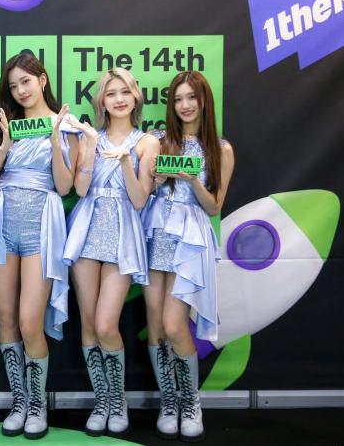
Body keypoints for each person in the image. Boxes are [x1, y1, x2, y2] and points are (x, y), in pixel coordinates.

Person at [0, 52, 79, 439]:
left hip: (41, 227)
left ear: (43, 80)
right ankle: (20, 402)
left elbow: (65, 187)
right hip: (1, 222)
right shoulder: (3, 123)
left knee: (31, 321)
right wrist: (4, 143)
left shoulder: (65, 124)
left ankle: (37, 406)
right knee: (7, 318)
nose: (20, 90)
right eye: (13, 85)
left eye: (26, 82)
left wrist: (55, 142)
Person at [63, 68, 159, 437]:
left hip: (122, 234)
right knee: (89, 326)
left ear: (135, 97)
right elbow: (80, 189)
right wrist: (90, 145)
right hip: (86, 230)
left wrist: (124, 162)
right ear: (101, 101)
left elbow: (139, 199)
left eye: (125, 92)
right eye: (110, 93)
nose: (119, 99)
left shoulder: (147, 143)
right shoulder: (91, 135)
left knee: (106, 324)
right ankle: (101, 401)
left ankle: (118, 401)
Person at [141, 71, 234, 442]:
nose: (185, 105)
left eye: (191, 97)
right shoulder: (160, 140)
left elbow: (214, 207)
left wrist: (193, 179)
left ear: (204, 100)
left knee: (175, 324)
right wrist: (156, 180)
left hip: (191, 237)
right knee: (156, 324)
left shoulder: (221, 149)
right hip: (157, 231)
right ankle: (169, 403)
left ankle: (191, 403)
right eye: (178, 99)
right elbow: (144, 194)